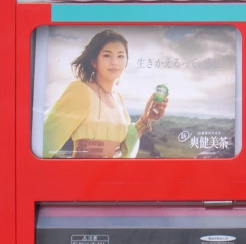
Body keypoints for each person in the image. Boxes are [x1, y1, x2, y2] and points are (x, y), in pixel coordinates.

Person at [43, 30, 167, 159]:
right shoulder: (81, 91)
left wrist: (146, 118)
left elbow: (123, 146)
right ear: (94, 61)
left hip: (112, 176)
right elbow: (44, 141)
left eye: (120, 56)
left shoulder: (118, 97)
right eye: (107, 55)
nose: (114, 62)